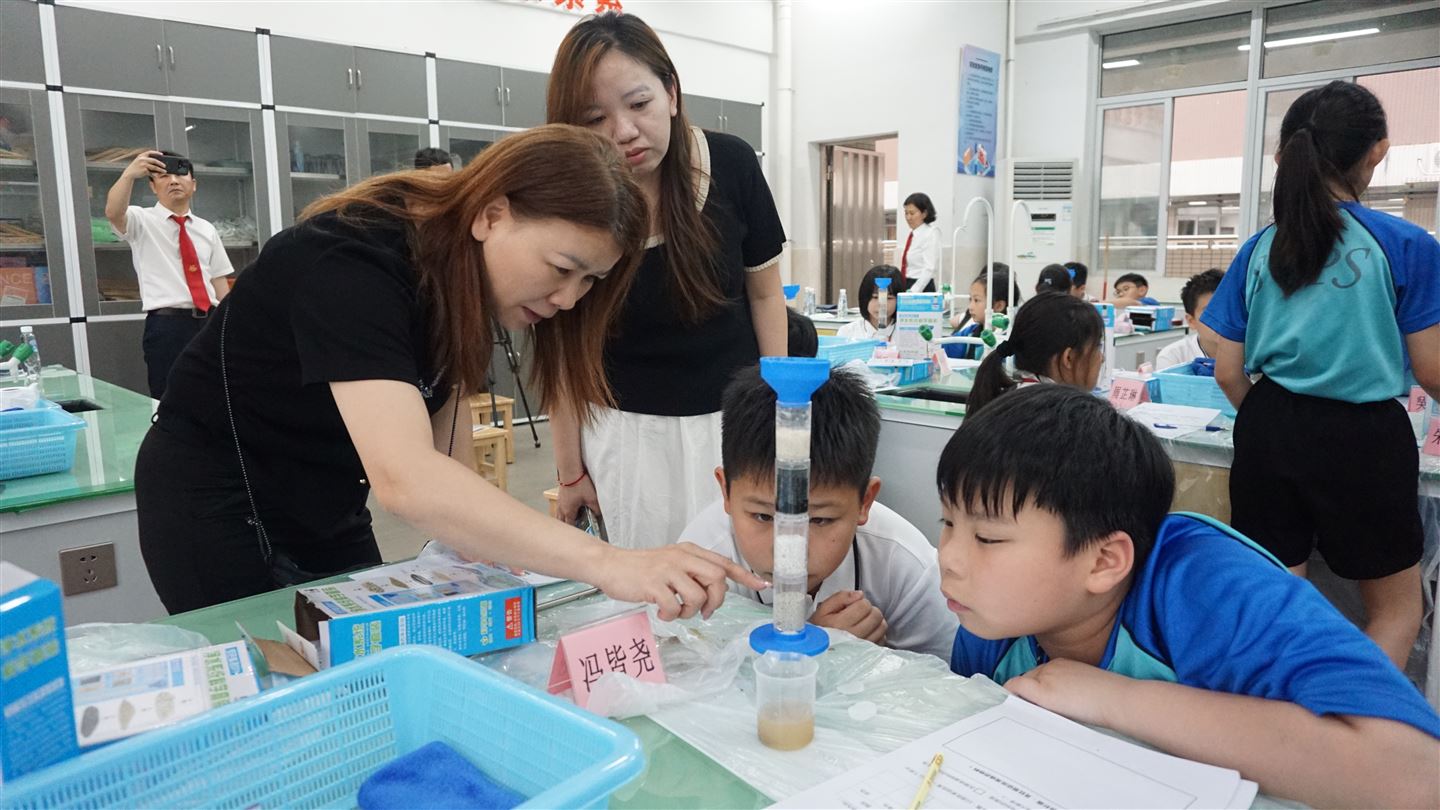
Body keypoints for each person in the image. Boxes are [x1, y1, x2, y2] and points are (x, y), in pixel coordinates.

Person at [135, 125, 764, 615]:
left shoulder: (459, 278)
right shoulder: (350, 262)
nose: (569, 299)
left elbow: (444, 448)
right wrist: (608, 562)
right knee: (273, 692)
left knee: (362, 668)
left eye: (590, 281)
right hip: (217, 499)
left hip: (325, 497)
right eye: (562, 268)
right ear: (492, 214)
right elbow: (406, 479)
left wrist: (475, 549)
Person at [939, 385, 1440, 808]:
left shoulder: (1208, 589)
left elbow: (1416, 775)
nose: (949, 558)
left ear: (1105, 560)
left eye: (987, 538)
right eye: (947, 523)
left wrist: (1111, 697)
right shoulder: (992, 623)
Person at [1201, 81, 1440, 670]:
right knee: (1395, 610)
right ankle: (1353, 714)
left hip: (1268, 427)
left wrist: (1272, 420)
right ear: (1378, 151)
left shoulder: (1259, 247)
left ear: (1283, 156)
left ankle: (1284, 707)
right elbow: (1432, 369)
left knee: (1278, 604)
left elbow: (1226, 368)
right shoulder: (1405, 243)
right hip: (1364, 436)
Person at [545, 13, 788, 549]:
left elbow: (766, 294)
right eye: (595, 118)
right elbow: (562, 349)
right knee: (644, 582)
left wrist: (779, 411)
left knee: (742, 576)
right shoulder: (572, 200)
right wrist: (570, 472)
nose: (624, 132)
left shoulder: (730, 165)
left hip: (731, 425)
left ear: (672, 93)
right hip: (623, 435)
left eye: (639, 104)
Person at [682, 365, 957, 659]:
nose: (789, 550)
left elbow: (947, 674)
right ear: (726, 492)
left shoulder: (903, 562)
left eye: (820, 519)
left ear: (865, 502)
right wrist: (818, 654)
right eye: (763, 516)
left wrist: (875, 658)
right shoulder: (704, 558)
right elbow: (685, 670)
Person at [105, 149, 235, 399]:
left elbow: (219, 281)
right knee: (170, 397)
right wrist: (129, 174)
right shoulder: (141, 220)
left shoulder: (206, 229)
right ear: (153, 187)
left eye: (180, 175)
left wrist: (231, 325)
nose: (174, 181)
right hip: (168, 326)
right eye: (164, 176)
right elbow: (114, 212)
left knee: (216, 395)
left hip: (210, 323)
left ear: (193, 184)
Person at [964, 291, 1104, 417]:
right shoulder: (1066, 418)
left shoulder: (1011, 400)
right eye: (1097, 346)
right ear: (1069, 358)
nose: (1101, 358)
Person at [945, 264, 1019, 360]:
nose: (970, 307)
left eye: (976, 300)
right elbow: (944, 349)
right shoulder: (970, 333)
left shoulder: (1011, 339)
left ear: (999, 306)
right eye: (970, 299)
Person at [1155, 268, 1222, 370]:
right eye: (1211, 312)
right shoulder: (1173, 356)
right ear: (1191, 321)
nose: (1223, 318)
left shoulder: (1248, 354)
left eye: (1229, 309)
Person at [835, 264, 902, 341]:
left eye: (889, 298)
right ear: (865, 298)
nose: (882, 304)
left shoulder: (906, 332)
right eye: (875, 297)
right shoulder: (847, 332)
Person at [898, 192, 940, 293]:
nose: (908, 217)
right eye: (906, 213)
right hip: (908, 284)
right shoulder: (913, 235)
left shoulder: (930, 233)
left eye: (912, 213)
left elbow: (929, 268)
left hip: (922, 287)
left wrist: (913, 292)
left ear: (924, 213)